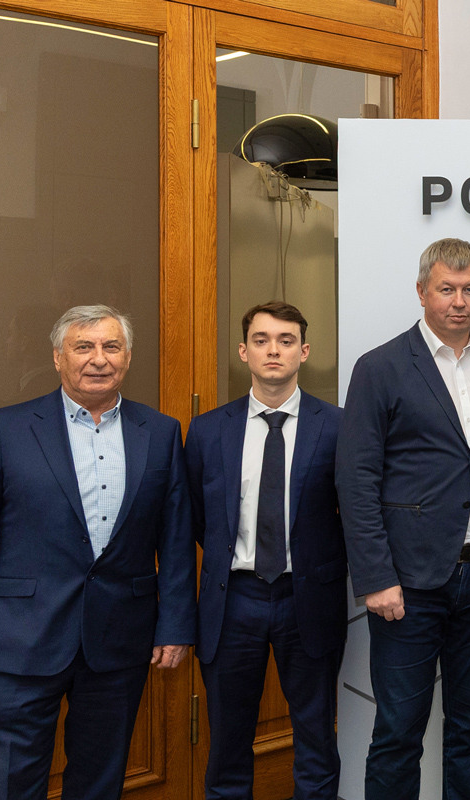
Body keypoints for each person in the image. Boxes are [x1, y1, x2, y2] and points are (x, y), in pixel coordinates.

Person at [0, 304, 195, 800]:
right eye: (83, 347)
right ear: (57, 357)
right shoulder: (4, 430)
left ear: (127, 357)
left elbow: (175, 540)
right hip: (20, 643)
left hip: (118, 642)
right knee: (11, 783)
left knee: (99, 783)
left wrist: (175, 624)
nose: (98, 359)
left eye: (111, 346)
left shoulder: (159, 432)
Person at [337, 237, 470, 800]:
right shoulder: (380, 367)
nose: (459, 301)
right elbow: (356, 480)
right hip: (407, 584)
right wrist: (376, 577)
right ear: (421, 292)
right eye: (446, 289)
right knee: (398, 732)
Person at [187, 301, 347, 800]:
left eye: (285, 340)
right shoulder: (208, 430)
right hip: (234, 601)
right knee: (227, 742)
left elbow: (353, 512)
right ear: (244, 352)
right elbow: (198, 518)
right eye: (261, 340)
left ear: (304, 351)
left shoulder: (338, 427)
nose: (272, 350)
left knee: (317, 739)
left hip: (309, 600)